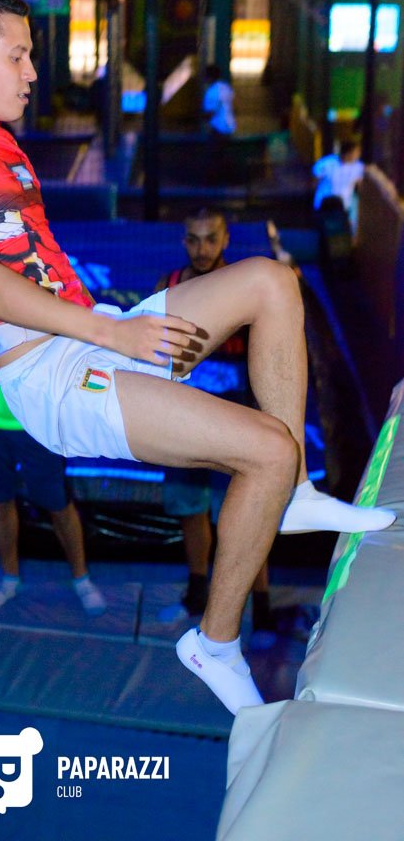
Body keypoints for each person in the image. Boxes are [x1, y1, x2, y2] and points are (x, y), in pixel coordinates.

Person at [0, 0, 395, 715]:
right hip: (53, 377)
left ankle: (291, 499)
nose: (33, 72)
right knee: (266, 449)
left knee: (271, 282)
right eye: (19, 56)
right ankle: (214, 643)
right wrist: (115, 333)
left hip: (90, 334)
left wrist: (108, 327)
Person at [0, 296, 106, 616]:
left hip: (37, 422)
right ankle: (9, 579)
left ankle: (81, 579)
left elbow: (84, 338)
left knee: (57, 503)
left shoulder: (42, 287)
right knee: (0, 502)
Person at [155, 208, 272, 635]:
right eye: (193, 239)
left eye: (210, 239)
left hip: (236, 422)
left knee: (245, 518)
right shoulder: (168, 285)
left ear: (225, 240)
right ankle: (196, 593)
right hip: (182, 420)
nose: (201, 249)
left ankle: (262, 610)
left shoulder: (246, 288)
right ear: (183, 241)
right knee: (191, 510)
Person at [313, 136, 364, 234]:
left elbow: (360, 185)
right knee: (325, 232)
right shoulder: (327, 163)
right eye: (356, 152)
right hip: (324, 205)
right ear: (348, 153)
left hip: (344, 206)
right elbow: (315, 179)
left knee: (342, 233)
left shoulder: (359, 167)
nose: (358, 155)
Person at [202, 63, 236, 139]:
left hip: (218, 129)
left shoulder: (212, 91)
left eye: (205, 75)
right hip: (230, 127)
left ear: (210, 77)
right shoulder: (226, 87)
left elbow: (210, 112)